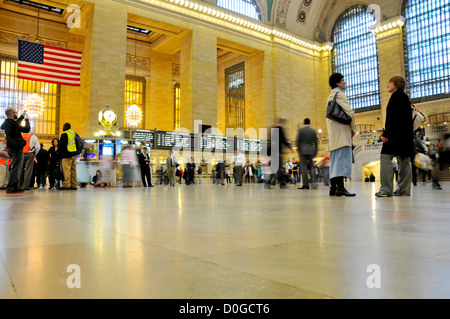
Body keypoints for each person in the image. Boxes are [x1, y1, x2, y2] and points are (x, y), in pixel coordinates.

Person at [376, 76, 414, 197]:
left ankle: (386, 189)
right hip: (405, 136)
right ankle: (404, 190)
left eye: (390, 83)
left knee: (385, 157)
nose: (388, 85)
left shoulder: (396, 96)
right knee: (404, 162)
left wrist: (386, 133)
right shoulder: (403, 96)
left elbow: (392, 117)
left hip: (395, 136)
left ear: (396, 84)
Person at [326, 73, 356, 197]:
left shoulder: (330, 95)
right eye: (343, 80)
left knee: (334, 161)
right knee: (343, 161)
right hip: (342, 132)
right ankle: (341, 188)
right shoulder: (340, 94)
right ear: (338, 83)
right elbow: (350, 113)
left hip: (333, 133)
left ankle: (333, 188)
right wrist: (352, 128)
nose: (345, 82)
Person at [1, 107, 30, 194]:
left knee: (15, 167)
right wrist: (27, 120)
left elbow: (16, 123)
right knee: (16, 168)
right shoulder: (13, 123)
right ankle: (11, 187)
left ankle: (14, 186)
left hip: (10, 147)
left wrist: (22, 116)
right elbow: (26, 129)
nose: (16, 114)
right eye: (15, 112)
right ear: (12, 113)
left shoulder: (7, 123)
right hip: (16, 147)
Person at [296, 118, 318, 190]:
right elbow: (316, 142)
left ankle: (305, 185)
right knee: (311, 167)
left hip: (302, 151)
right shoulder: (313, 131)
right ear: (310, 123)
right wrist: (315, 151)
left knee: (304, 168)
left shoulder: (300, 130)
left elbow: (298, 141)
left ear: (303, 122)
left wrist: (298, 149)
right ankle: (313, 183)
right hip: (311, 151)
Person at [58, 123, 80, 190]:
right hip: (74, 154)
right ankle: (74, 185)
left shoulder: (64, 134)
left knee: (67, 170)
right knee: (73, 170)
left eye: (63, 126)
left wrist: (60, 153)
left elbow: (62, 145)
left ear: (65, 127)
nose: (62, 128)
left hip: (66, 154)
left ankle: (66, 184)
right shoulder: (74, 133)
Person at [271, 118, 291, 188]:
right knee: (278, 168)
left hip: (274, 151)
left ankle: (272, 182)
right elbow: (283, 139)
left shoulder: (274, 129)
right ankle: (280, 183)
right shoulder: (279, 129)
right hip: (277, 151)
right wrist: (289, 146)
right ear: (282, 123)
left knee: (276, 167)